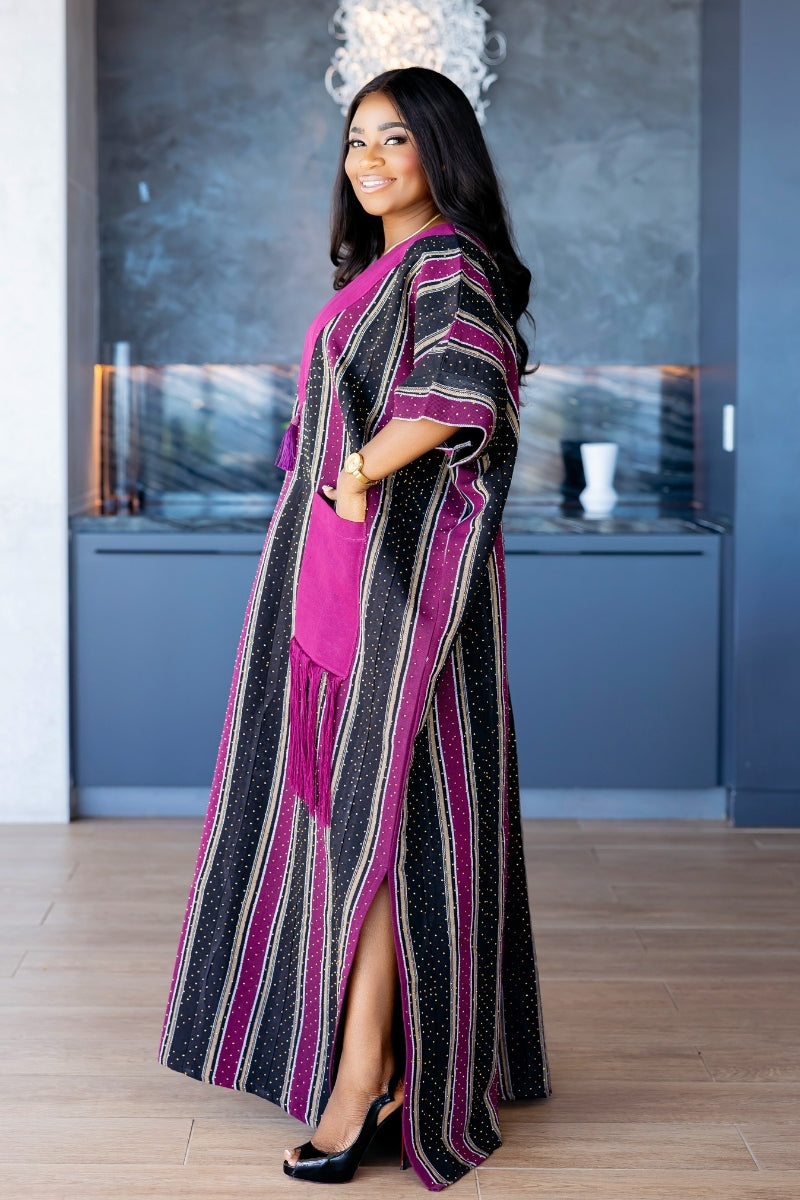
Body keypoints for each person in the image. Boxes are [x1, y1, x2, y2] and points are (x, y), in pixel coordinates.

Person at [157, 65, 550, 1190]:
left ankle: (368, 1073)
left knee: (383, 819)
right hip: (342, 575)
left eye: (395, 139)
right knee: (358, 822)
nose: (370, 161)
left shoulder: (447, 261)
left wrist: (356, 475)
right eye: (356, 140)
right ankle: (372, 1061)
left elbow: (461, 390)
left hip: (398, 593)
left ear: (441, 151)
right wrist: (335, 498)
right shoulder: (384, 268)